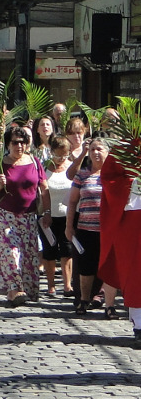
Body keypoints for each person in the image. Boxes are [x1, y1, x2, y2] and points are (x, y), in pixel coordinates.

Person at [0, 126, 51, 306]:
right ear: (8, 144)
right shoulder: (0, 163)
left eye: (23, 142)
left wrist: (46, 212)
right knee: (11, 254)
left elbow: (44, 189)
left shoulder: (35, 162)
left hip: (29, 216)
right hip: (7, 216)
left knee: (29, 256)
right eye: (15, 142)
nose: (19, 146)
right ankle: (14, 290)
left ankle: (23, 290)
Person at [65, 137, 118, 318]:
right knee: (86, 268)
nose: (96, 152)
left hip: (110, 230)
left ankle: (110, 306)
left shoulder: (115, 175)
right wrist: (69, 226)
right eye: (93, 149)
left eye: (100, 149)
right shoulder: (82, 175)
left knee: (109, 268)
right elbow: (72, 202)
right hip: (86, 229)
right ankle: (83, 300)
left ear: (108, 152)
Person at [98, 151, 141, 345]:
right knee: (136, 273)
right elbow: (109, 178)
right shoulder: (125, 145)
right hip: (132, 218)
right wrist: (133, 182)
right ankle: (140, 325)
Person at [38, 136, 74, 298]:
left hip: (66, 216)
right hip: (48, 215)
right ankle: (51, 285)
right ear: (51, 152)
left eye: (65, 155)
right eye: (58, 156)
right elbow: (42, 191)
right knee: (49, 250)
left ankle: (67, 285)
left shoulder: (71, 167)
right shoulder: (44, 167)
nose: (61, 159)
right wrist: (45, 213)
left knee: (67, 251)